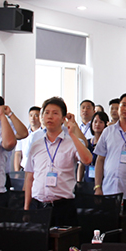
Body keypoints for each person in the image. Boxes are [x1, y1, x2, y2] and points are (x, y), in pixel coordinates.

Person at [24, 97, 92, 227]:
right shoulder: (36, 145)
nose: (50, 116)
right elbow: (29, 177)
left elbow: (88, 160)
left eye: (55, 113)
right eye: (46, 113)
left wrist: (73, 134)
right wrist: (27, 208)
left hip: (63, 207)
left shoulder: (72, 142)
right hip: (38, 206)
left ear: (63, 119)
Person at [13, 106, 42, 171]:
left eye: (36, 115)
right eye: (31, 115)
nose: (33, 118)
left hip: (38, 168)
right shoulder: (23, 133)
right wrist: (17, 171)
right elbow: (18, 153)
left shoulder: (44, 134)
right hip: (24, 168)